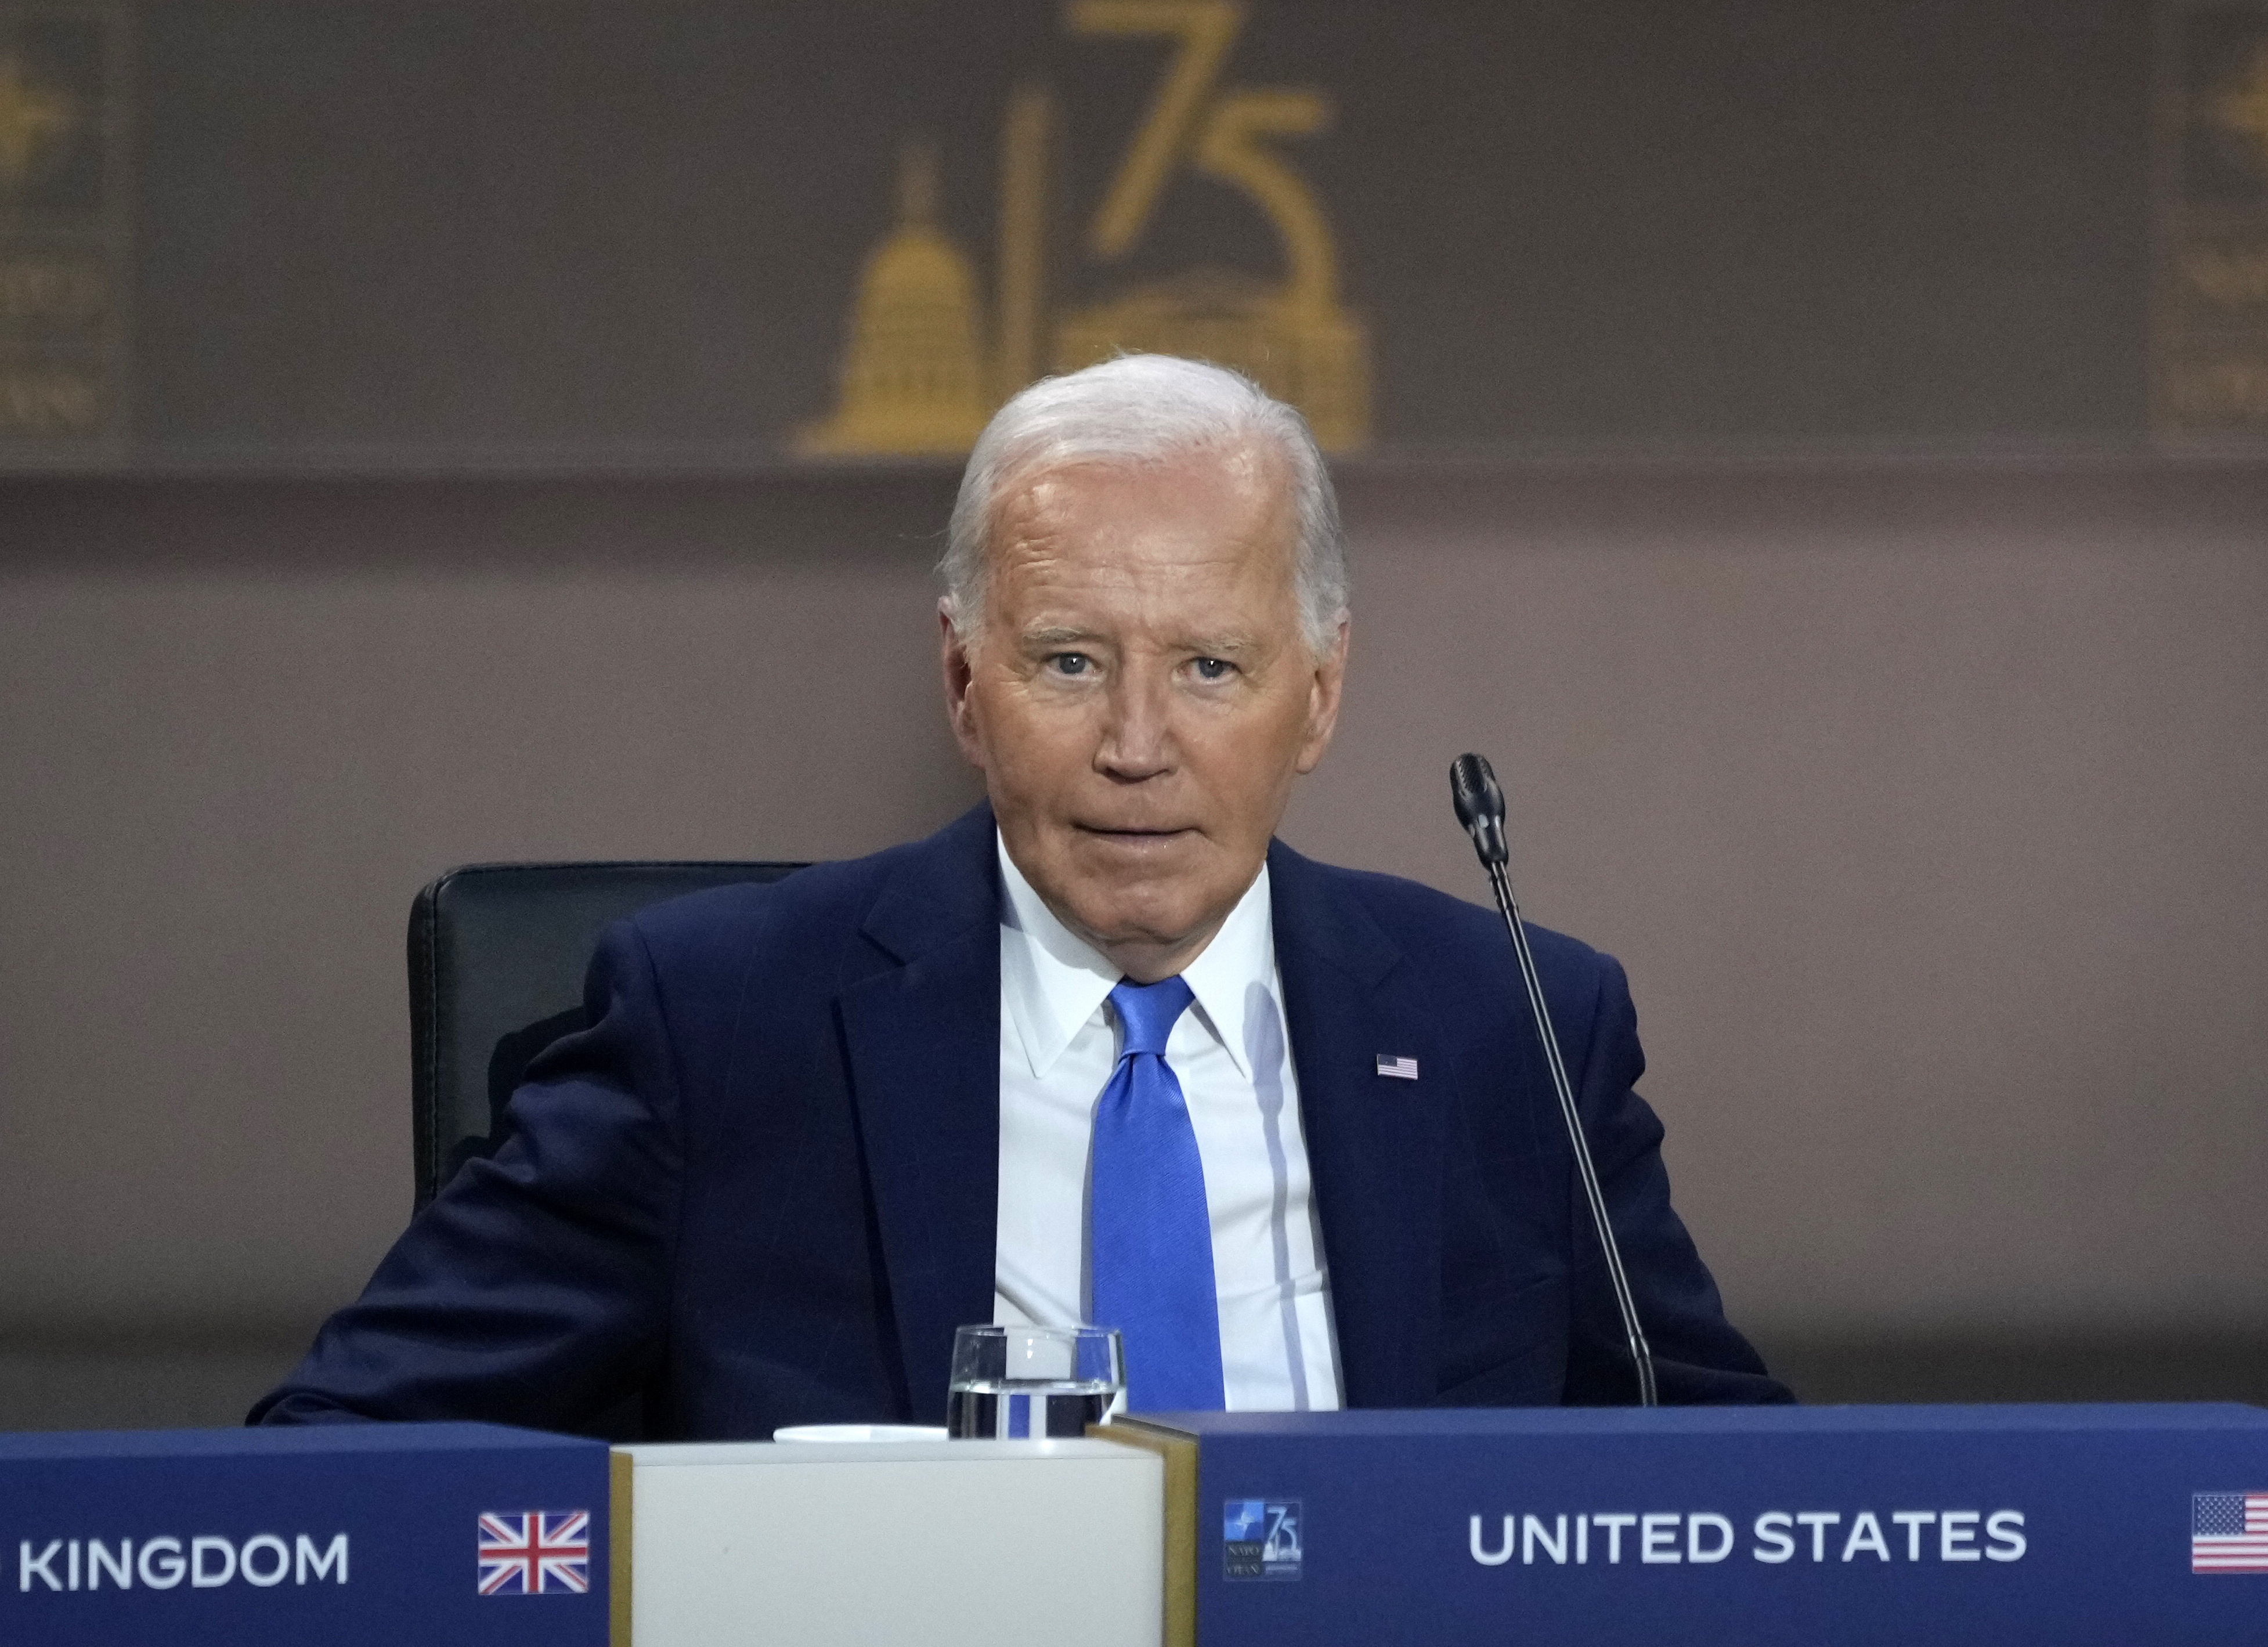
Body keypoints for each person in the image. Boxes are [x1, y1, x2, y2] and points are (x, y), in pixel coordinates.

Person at [252, 356, 1788, 1436]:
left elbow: (1744, 1503)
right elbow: (344, 1463)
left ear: (1316, 700)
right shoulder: (718, 1025)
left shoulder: (1507, 1023)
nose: (1136, 746)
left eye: (1209, 667)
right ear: (961, 684)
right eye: (1068, 662)